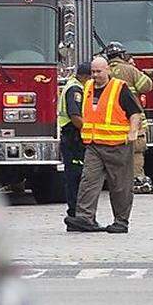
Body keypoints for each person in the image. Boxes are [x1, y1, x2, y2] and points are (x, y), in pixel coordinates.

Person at [65, 56, 144, 234]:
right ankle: (85, 218)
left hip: (117, 145)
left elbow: (135, 113)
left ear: (108, 70)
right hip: (94, 145)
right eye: (93, 72)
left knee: (120, 186)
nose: (95, 75)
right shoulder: (88, 88)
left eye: (99, 71)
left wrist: (133, 131)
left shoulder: (119, 88)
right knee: (88, 181)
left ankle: (121, 221)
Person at [106, 43, 153, 195]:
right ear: (121, 55)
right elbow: (146, 86)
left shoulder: (104, 72)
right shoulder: (130, 70)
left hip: (112, 119)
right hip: (132, 117)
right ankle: (137, 179)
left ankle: (116, 181)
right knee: (137, 150)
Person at [56, 62, 88, 217]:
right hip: (73, 137)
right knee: (75, 175)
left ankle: (77, 212)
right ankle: (75, 212)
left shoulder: (73, 85)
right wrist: (89, 132)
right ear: (85, 77)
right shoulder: (76, 89)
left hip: (72, 136)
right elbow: (75, 116)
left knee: (76, 175)